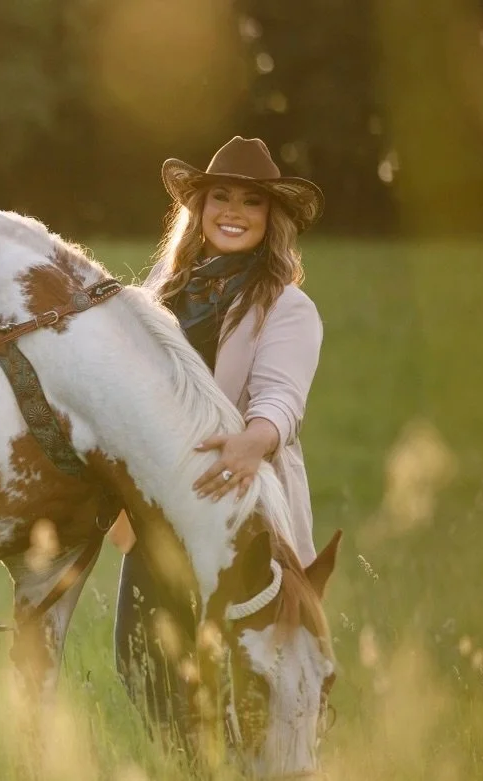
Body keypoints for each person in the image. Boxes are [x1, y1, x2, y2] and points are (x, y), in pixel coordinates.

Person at [111, 136, 325, 732]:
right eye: (220, 198)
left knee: (242, 668)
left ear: (270, 218)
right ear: (199, 212)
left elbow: (281, 398)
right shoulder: (162, 294)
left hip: (236, 504)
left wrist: (255, 440)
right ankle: (197, 768)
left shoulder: (286, 308)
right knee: (141, 661)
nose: (233, 211)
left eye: (251, 203)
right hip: (159, 506)